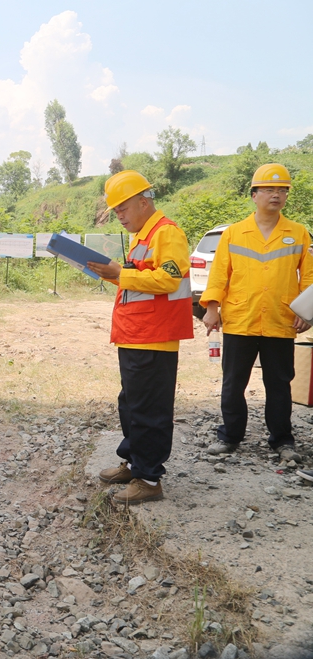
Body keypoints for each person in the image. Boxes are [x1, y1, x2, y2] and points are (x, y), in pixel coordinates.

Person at [87, 170, 193, 504]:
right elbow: (139, 282)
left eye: (123, 209)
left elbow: (168, 280)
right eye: (115, 210)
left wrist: (122, 273)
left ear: (143, 202)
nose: (119, 215)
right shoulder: (142, 236)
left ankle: (149, 479)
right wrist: (115, 275)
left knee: (149, 409)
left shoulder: (167, 234)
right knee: (131, 403)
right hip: (136, 335)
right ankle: (135, 463)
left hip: (155, 338)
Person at [201, 163, 313, 460]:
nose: (276, 195)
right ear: (254, 194)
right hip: (241, 320)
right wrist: (212, 308)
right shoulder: (234, 233)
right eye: (269, 189)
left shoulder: (299, 234)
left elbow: (310, 277)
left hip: (280, 319)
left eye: (282, 190)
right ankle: (230, 436)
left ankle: (282, 440)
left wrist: (308, 311)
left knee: (279, 383)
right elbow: (219, 275)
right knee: (234, 382)